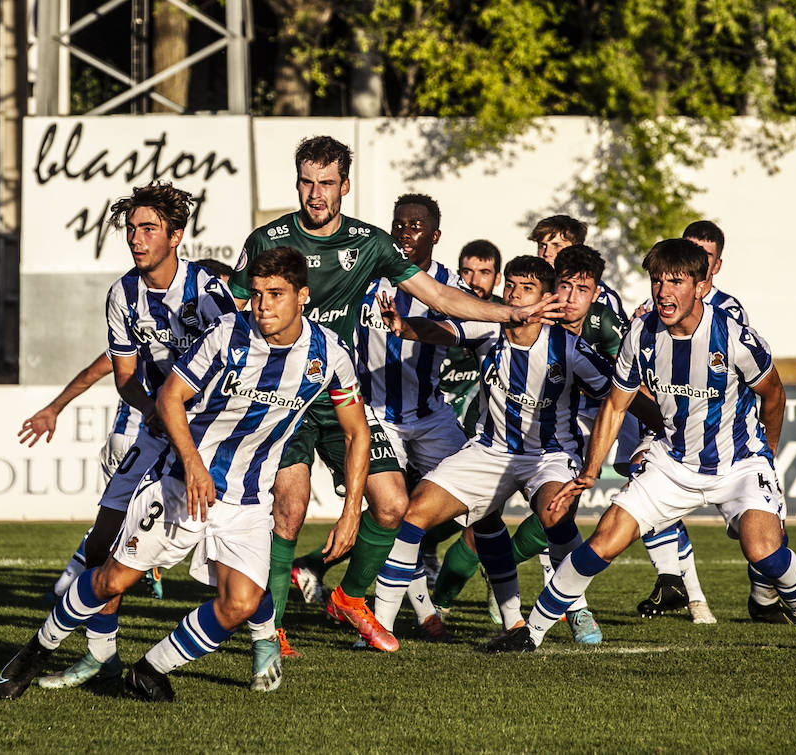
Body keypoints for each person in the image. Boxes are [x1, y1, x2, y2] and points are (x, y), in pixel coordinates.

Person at [229, 136, 562, 659]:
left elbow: (441, 298)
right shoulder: (268, 239)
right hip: (284, 399)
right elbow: (235, 312)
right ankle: (269, 632)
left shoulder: (370, 244)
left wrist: (507, 313)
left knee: (393, 506)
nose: (315, 194)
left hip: (342, 396)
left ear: (345, 185)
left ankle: (349, 597)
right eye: (306, 182)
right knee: (288, 510)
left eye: (326, 183)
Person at [0, 247, 369, 701]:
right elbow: (170, 398)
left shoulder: (329, 354)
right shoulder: (227, 334)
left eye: (276, 294)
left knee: (242, 603)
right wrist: (192, 464)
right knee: (112, 579)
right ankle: (37, 650)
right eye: (256, 294)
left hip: (247, 501)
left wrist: (351, 513)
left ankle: (150, 670)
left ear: (302, 296)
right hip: (180, 484)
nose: (263, 305)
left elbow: (356, 433)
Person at [482, 238, 796, 653]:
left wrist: (768, 452)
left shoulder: (732, 335)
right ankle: (530, 633)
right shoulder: (641, 333)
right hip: (672, 462)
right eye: (657, 281)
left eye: (676, 281)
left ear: (701, 287)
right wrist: (589, 471)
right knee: (605, 539)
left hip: (739, 464)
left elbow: (774, 394)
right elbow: (616, 407)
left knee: (762, 549)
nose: (663, 291)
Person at [373, 256, 659, 647]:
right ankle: (381, 628)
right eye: (510, 286)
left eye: (525, 289)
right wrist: (404, 327)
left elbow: (619, 396)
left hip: (549, 456)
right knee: (415, 511)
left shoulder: (568, 348)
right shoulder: (488, 328)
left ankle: (575, 609)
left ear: (544, 300)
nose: (513, 294)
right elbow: (442, 329)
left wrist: (667, 427)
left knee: (554, 514)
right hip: (489, 452)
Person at [32, 183, 237, 691]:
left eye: (148, 229)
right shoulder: (122, 294)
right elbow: (125, 376)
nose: (137, 239)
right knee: (101, 541)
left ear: (176, 236)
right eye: (131, 230)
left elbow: (241, 359)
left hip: (211, 436)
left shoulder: (210, 290)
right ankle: (102, 655)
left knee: (236, 543)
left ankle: (262, 640)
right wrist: (154, 409)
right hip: (155, 431)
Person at [285, 193, 473, 642]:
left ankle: (317, 564)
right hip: (372, 412)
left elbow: (454, 331)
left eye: (417, 227)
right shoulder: (365, 280)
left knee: (471, 506)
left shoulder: (445, 284)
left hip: (430, 415)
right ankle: (420, 613)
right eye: (400, 225)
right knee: (392, 509)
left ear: (435, 236)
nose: (406, 234)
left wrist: (410, 328)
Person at [21, 258, 235, 606]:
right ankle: (88, 606)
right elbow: (107, 371)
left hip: (183, 433)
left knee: (140, 525)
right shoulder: (135, 316)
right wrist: (54, 408)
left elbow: (94, 372)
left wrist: (55, 408)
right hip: (141, 432)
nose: (231, 298)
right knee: (117, 526)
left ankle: (84, 589)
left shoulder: (218, 321)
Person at [632, 220, 757, 626]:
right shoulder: (656, 310)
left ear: (714, 267)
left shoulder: (729, 312)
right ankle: (686, 591)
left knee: (757, 534)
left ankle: (765, 595)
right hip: (670, 425)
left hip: (726, 437)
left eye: (703, 257)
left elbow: (757, 378)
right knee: (645, 489)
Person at [529, 215, 627, 319]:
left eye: (556, 245)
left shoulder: (602, 296)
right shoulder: (529, 288)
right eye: (542, 246)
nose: (547, 253)